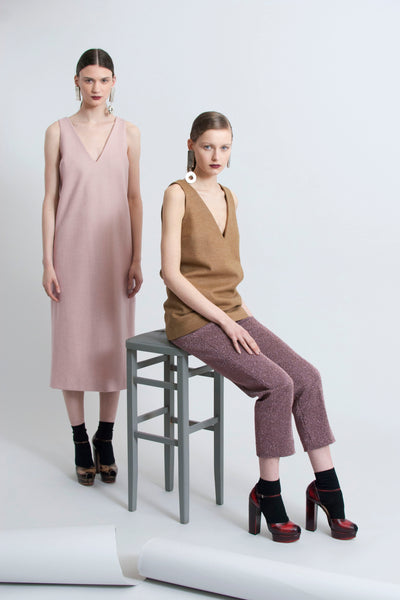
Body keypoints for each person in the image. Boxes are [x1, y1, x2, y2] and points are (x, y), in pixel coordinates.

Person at [160, 111, 357, 542]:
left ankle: (326, 487)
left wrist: (245, 319)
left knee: (307, 377)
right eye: (208, 146)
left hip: (233, 311)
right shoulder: (177, 193)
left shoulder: (229, 196)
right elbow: (171, 274)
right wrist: (226, 322)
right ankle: (268, 492)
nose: (216, 155)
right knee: (277, 384)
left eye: (224, 147)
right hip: (192, 319)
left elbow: (224, 276)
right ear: (191, 146)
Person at [42, 49, 143, 486]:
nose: (96, 88)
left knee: (111, 343)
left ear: (114, 82)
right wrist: (47, 260)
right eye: (88, 79)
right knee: (72, 342)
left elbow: (134, 198)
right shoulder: (57, 132)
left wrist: (137, 256)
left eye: (103, 80)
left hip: (115, 251)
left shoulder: (129, 133)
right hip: (70, 250)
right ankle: (80, 439)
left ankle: (106, 436)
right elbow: (50, 199)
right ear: (77, 82)